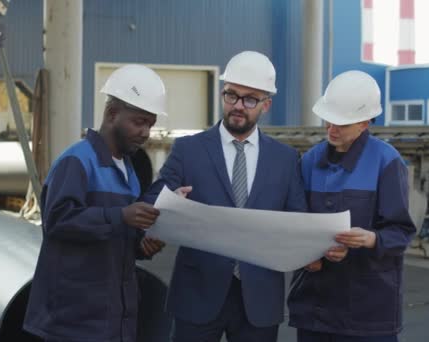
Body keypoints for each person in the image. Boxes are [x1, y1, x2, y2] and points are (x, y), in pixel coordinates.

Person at [143, 51, 307, 342]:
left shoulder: (285, 159)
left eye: (250, 99)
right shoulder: (188, 149)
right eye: (231, 95)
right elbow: (155, 195)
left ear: (266, 104)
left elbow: (298, 220)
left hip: (259, 297)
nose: (238, 106)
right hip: (197, 292)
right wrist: (170, 200)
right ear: (222, 94)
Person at [24, 64, 167, 342]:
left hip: (115, 318)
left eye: (150, 124)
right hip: (73, 321)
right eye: (139, 122)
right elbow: (58, 221)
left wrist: (141, 244)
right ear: (112, 114)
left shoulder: (129, 172)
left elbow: (115, 233)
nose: (146, 132)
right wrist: (121, 216)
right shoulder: (77, 162)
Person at [287, 70, 417, 342]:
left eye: (341, 124)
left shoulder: (387, 162)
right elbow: (295, 222)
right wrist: (308, 255)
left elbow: (401, 232)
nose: (331, 129)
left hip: (368, 314)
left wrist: (371, 239)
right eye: (329, 120)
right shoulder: (309, 161)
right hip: (315, 308)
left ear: (365, 123)